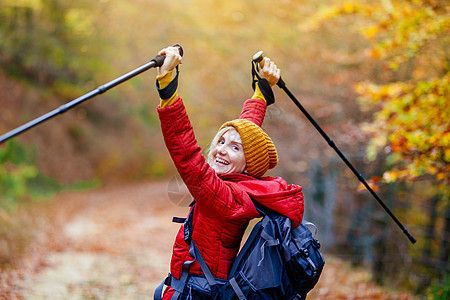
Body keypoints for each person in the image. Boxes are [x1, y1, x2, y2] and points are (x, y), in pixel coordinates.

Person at [154, 46, 304, 299]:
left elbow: (187, 155)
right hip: (204, 287)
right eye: (221, 141)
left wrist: (167, 88)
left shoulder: (224, 197)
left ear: (248, 163)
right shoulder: (244, 184)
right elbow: (248, 131)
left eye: (235, 148)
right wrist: (262, 90)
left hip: (194, 292)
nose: (222, 150)